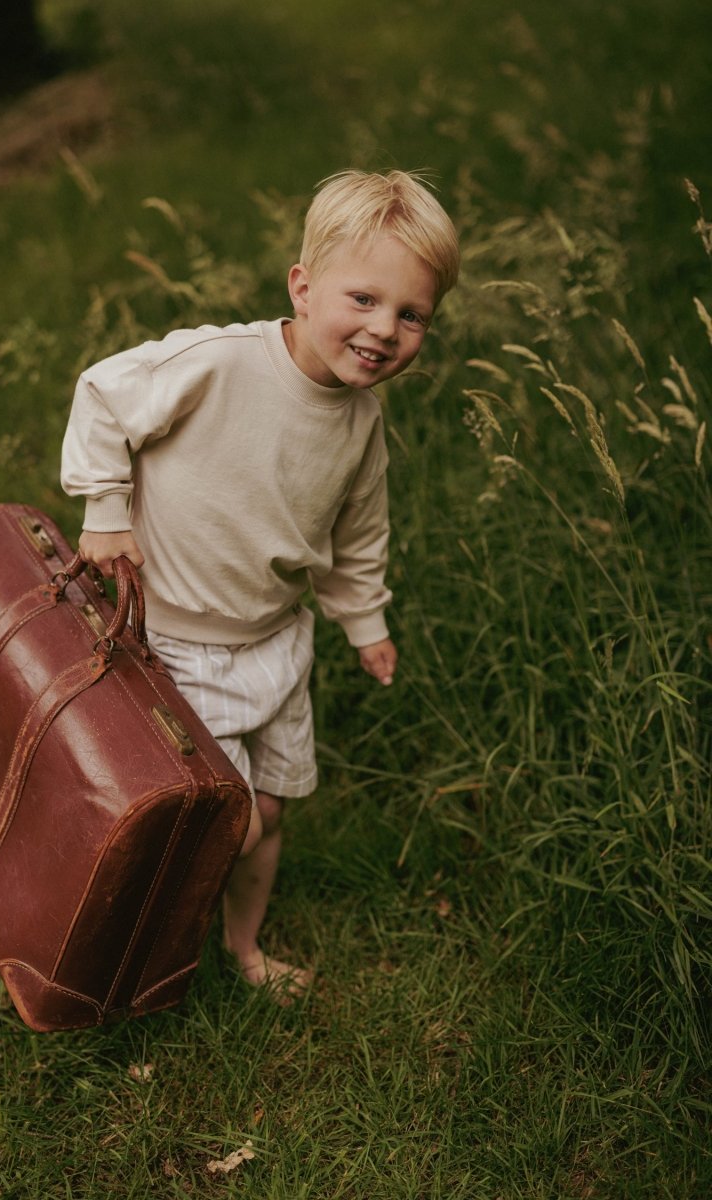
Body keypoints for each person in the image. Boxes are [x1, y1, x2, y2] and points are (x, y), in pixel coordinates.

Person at [61, 169, 460, 1002]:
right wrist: (105, 508)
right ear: (303, 287)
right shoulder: (220, 365)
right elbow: (102, 391)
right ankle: (114, 924)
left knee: (273, 809)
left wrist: (365, 624)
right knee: (229, 821)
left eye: (411, 314)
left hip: (277, 640)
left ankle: (243, 948)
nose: (384, 330)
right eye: (364, 299)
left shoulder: (362, 424)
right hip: (177, 643)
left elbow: (357, 537)